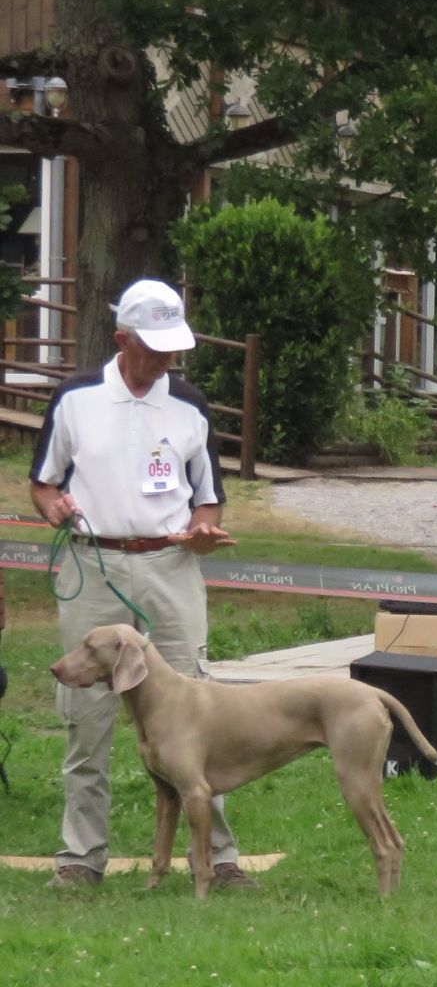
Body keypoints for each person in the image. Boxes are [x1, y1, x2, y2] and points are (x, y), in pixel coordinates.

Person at [29, 278, 257, 890]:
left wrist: (205, 532)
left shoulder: (189, 403)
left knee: (200, 709)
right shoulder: (75, 398)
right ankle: (81, 858)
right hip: (92, 566)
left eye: (173, 348)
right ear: (121, 338)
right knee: (86, 715)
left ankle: (219, 858)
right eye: (154, 347)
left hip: (169, 569)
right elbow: (45, 482)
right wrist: (52, 507)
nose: (166, 360)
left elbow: (208, 500)